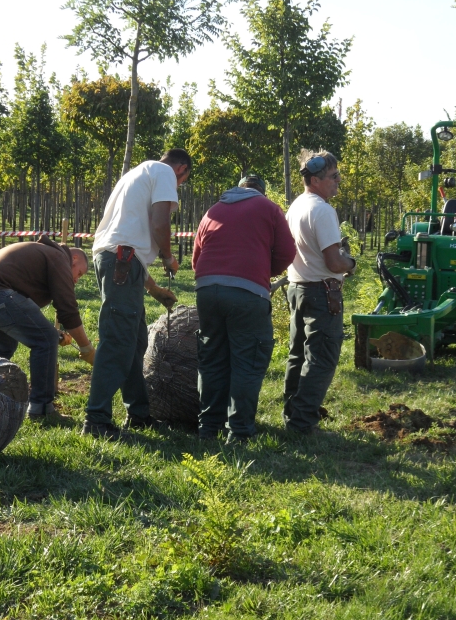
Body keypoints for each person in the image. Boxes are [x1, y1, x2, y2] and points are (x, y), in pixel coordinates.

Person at [83, 148, 191, 438]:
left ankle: (139, 414)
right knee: (118, 339)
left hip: (119, 259)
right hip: (121, 260)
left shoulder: (136, 174)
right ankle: (96, 420)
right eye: (182, 182)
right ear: (181, 169)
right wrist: (168, 257)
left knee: (135, 340)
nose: (178, 186)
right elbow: (160, 223)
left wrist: (153, 289)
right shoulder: (165, 172)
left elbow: (128, 241)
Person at [192, 174, 296, 442]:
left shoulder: (213, 210)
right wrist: (262, 272)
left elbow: (196, 258)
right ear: (261, 191)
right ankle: (239, 432)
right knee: (248, 361)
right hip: (247, 293)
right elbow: (287, 252)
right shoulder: (269, 208)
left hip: (207, 290)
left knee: (212, 359)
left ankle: (208, 429)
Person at [0, 235, 94, 419]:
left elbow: (23, 314)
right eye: (79, 273)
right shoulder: (59, 257)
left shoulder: (42, 253)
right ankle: (42, 409)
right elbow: (68, 310)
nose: (76, 280)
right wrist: (86, 348)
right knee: (46, 340)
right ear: (74, 258)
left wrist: (54, 332)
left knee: (4, 346)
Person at [283, 151, 356, 435]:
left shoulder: (296, 206)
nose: (338, 180)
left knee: (298, 355)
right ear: (315, 180)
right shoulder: (323, 210)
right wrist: (350, 263)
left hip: (297, 287)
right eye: (333, 176)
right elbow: (334, 263)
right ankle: (302, 422)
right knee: (322, 357)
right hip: (322, 292)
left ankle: (293, 412)